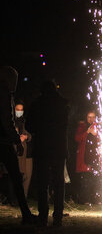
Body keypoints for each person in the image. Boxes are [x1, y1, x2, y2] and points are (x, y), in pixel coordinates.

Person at [26, 80, 70, 227]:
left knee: (42, 183)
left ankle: (43, 216)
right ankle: (57, 217)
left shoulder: (37, 104)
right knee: (58, 183)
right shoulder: (63, 104)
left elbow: (29, 125)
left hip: (43, 148)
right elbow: (65, 125)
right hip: (58, 148)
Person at [0, 66, 37, 224]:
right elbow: (6, 120)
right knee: (16, 176)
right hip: (3, 142)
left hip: (3, 140)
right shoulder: (4, 93)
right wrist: (16, 140)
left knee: (16, 176)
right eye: (14, 79)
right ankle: (25, 214)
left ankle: (25, 212)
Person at [74, 110, 101, 204]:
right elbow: (77, 138)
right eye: (89, 117)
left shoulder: (99, 127)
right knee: (86, 179)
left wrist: (96, 134)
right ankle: (84, 199)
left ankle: (95, 199)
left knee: (95, 178)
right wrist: (87, 132)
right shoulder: (82, 127)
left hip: (96, 157)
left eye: (93, 117)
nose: (91, 119)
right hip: (85, 157)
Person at [14, 100, 33, 198]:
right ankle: (16, 198)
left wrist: (26, 136)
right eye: (17, 109)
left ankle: (23, 197)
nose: (19, 112)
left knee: (27, 175)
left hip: (27, 152)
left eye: (21, 110)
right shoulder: (12, 121)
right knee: (19, 175)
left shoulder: (25, 121)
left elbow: (30, 134)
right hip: (18, 153)